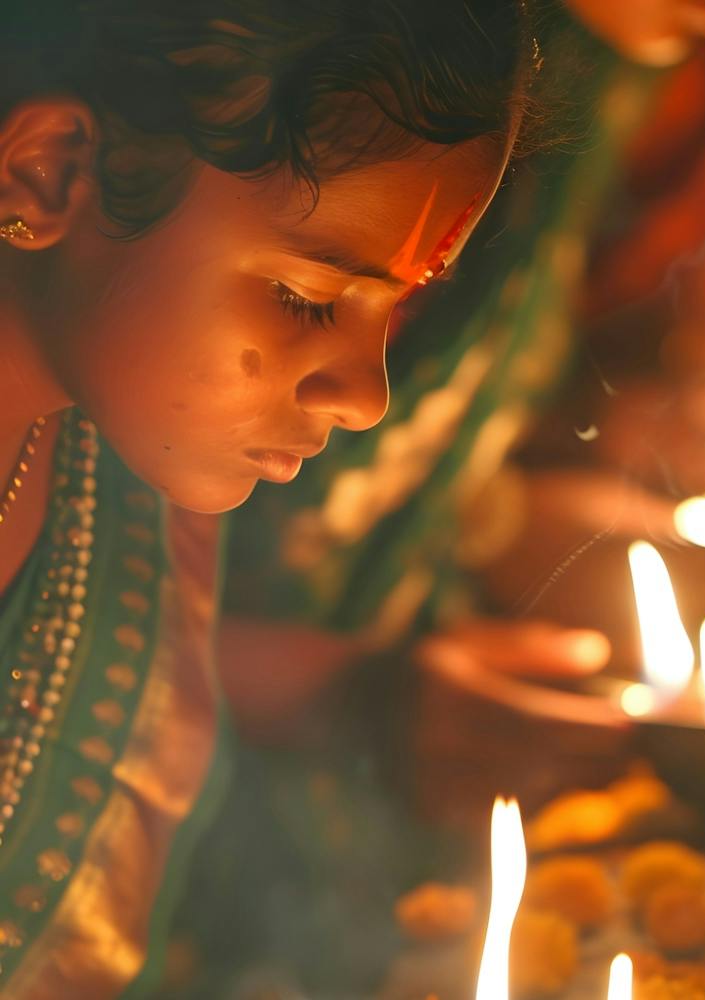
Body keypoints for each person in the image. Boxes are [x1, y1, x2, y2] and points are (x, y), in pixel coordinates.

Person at [0, 1, 537, 995]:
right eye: (306, 298)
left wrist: (371, 697)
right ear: (49, 172)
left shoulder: (113, 490)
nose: (367, 397)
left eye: (396, 308)